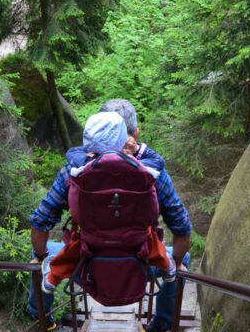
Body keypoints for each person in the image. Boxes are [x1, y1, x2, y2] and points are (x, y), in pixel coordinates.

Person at [28, 112, 192, 332]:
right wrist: (175, 262)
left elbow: (40, 224)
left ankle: (41, 315)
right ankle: (159, 326)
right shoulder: (152, 174)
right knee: (182, 260)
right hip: (140, 263)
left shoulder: (72, 172)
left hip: (85, 264)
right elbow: (182, 229)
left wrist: (39, 255)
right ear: (123, 138)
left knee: (39, 258)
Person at [34, 112, 176, 295]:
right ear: (123, 138)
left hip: (89, 251)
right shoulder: (143, 170)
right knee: (170, 250)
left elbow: (40, 220)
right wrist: (139, 149)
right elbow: (158, 162)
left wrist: (39, 254)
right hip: (138, 249)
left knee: (63, 248)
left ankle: (52, 279)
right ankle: (167, 268)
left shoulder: (77, 170)